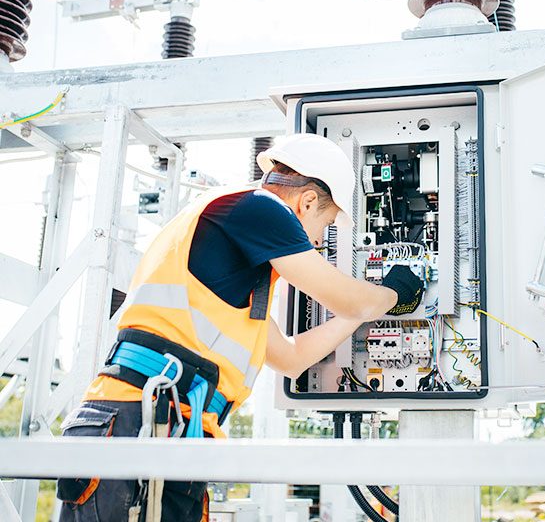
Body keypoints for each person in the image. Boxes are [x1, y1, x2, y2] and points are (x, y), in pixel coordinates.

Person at [57, 134, 424, 522]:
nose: (318, 242)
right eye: (326, 226)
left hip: (167, 422)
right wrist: (391, 293)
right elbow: (352, 299)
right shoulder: (258, 207)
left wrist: (363, 312)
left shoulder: (237, 271)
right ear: (308, 201)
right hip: (140, 417)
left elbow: (290, 359)